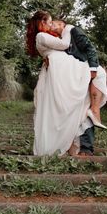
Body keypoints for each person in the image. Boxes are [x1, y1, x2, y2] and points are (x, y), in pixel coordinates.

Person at [26, 10, 92, 156]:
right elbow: (64, 44)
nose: (51, 25)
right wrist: (68, 28)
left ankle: (70, 140)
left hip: (59, 69)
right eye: (49, 22)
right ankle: (62, 140)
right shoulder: (41, 35)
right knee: (63, 104)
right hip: (59, 69)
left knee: (64, 104)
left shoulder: (43, 36)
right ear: (42, 22)